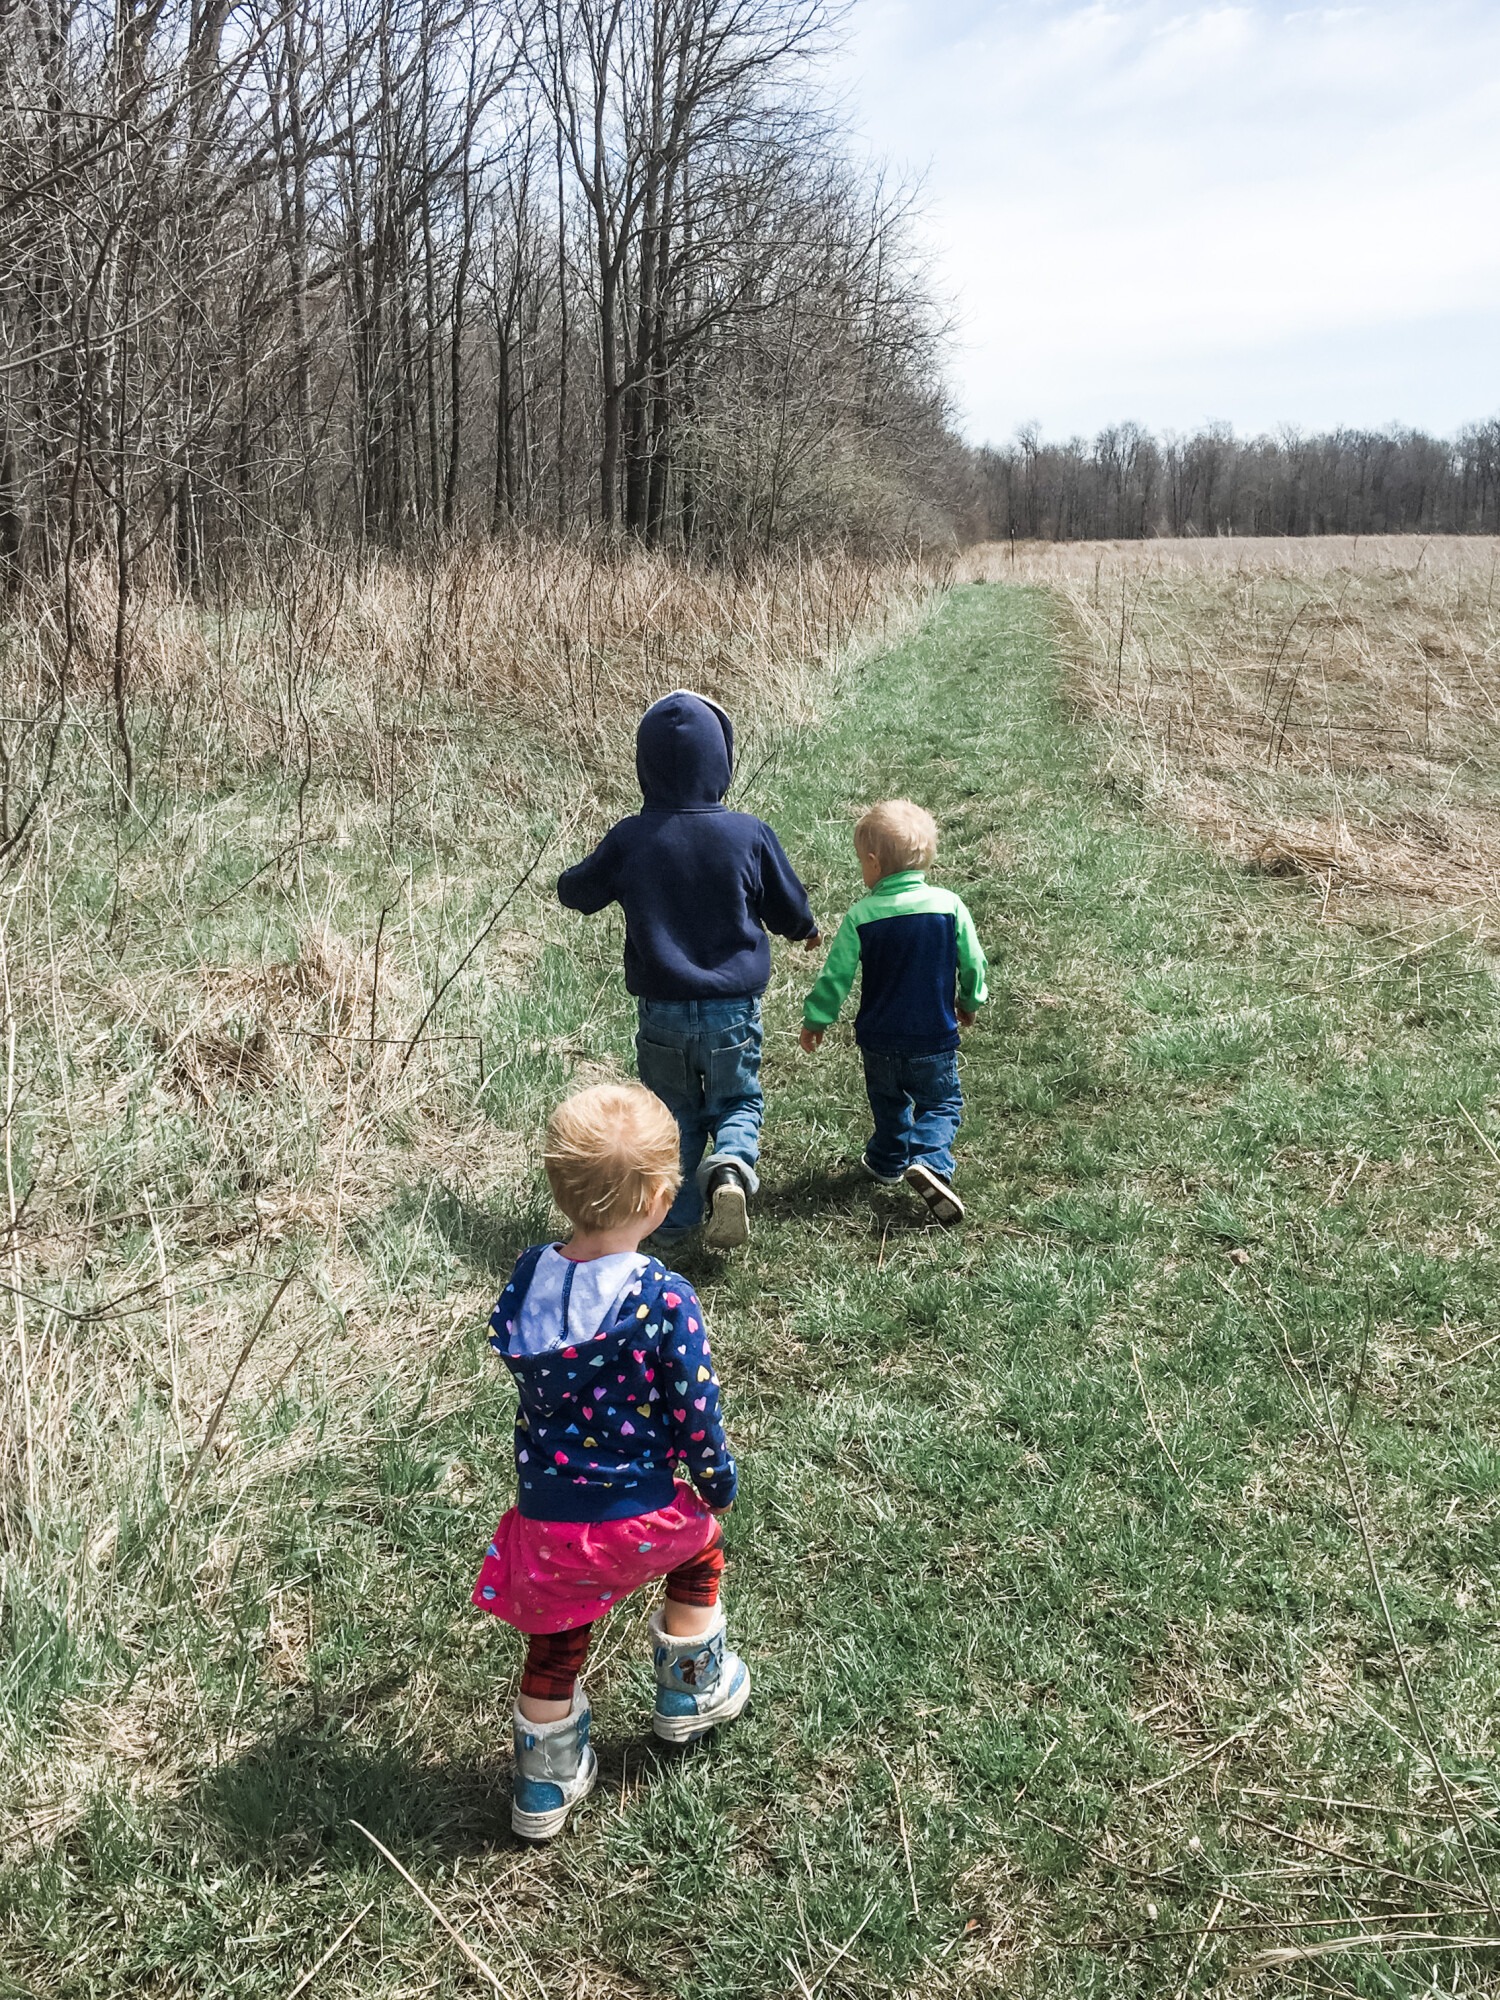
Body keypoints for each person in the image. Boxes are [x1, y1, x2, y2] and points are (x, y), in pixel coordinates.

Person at [472, 1082, 750, 1841]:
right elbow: (695, 1407)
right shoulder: (662, 1298)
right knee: (701, 1556)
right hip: (644, 1513)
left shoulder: (529, 1275)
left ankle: (544, 1784)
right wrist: (715, 1481)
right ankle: (690, 1693)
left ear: (562, 1191)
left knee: (557, 1640)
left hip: (551, 1522)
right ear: (663, 1196)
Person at [557, 690, 820, 1251]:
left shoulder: (631, 837)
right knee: (738, 1100)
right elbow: (786, 904)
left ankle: (672, 1224)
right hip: (732, 1010)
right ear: (720, 764)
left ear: (644, 766)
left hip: (662, 1013)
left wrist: (576, 878)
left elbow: (578, 892)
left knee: (671, 1111)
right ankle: (728, 1167)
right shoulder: (747, 833)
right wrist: (804, 929)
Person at [799, 800, 987, 1225]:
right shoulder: (949, 906)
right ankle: (931, 1162)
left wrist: (817, 1020)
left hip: (878, 1039)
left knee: (887, 1102)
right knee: (940, 1104)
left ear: (873, 862)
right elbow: (974, 963)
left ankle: (888, 1161)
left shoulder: (861, 915)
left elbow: (836, 977)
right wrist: (970, 1002)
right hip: (932, 1037)